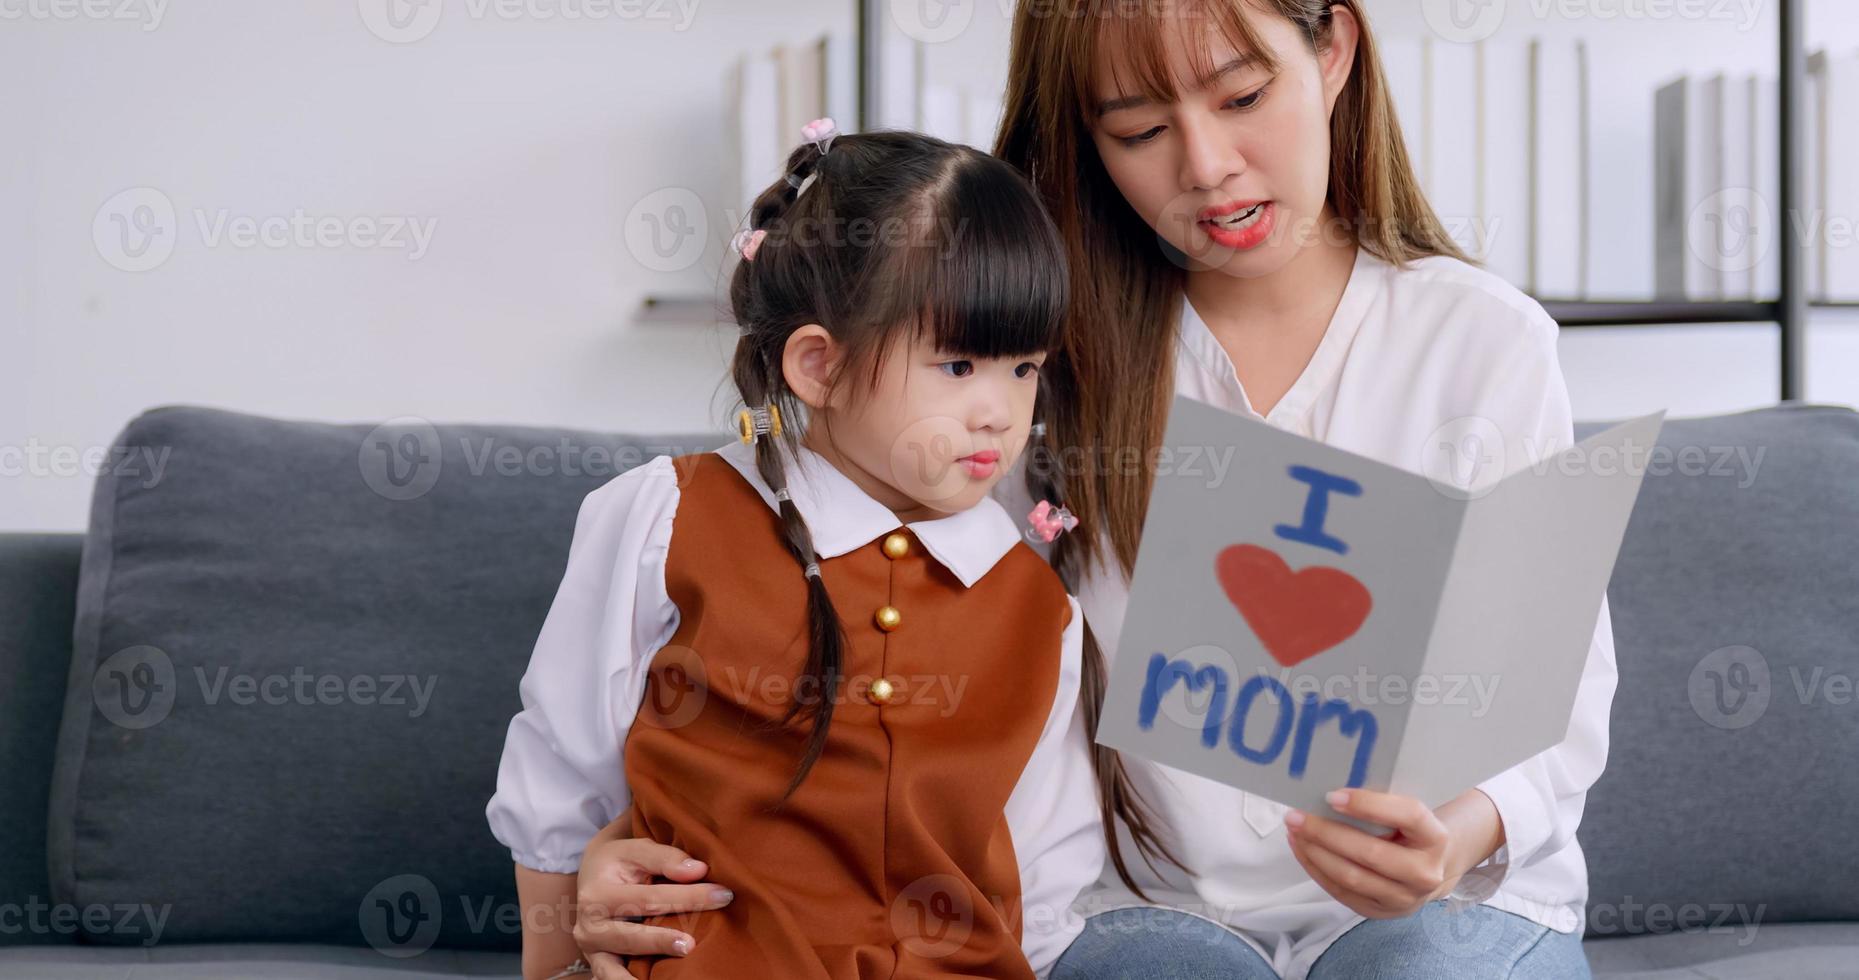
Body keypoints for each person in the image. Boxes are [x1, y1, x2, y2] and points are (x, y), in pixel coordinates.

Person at [578, 1, 1613, 977]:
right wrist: (628, 844)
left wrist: (1456, 835)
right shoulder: (1033, 363)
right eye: (1136, 130)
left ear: (1332, 48)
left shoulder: (1484, 339)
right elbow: (840, 610)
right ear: (1083, 137)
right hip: (1147, 911)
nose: (1204, 167)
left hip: (1447, 908)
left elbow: (1552, 701)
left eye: (1242, 97)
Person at [485, 122, 1107, 980]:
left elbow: (1043, 876)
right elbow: (561, 776)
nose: (1000, 412)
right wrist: (558, 964)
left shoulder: (1039, 613)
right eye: (959, 366)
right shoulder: (666, 517)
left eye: (1024, 368)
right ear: (819, 367)